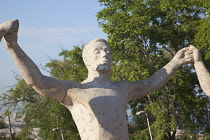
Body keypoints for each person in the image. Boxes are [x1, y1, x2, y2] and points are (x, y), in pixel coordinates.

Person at [0, 19, 195, 140]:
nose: (105, 55)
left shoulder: (123, 88)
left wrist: (175, 62)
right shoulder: (74, 91)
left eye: (108, 51)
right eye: (98, 51)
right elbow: (37, 81)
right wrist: (13, 46)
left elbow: (152, 83)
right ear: (86, 59)